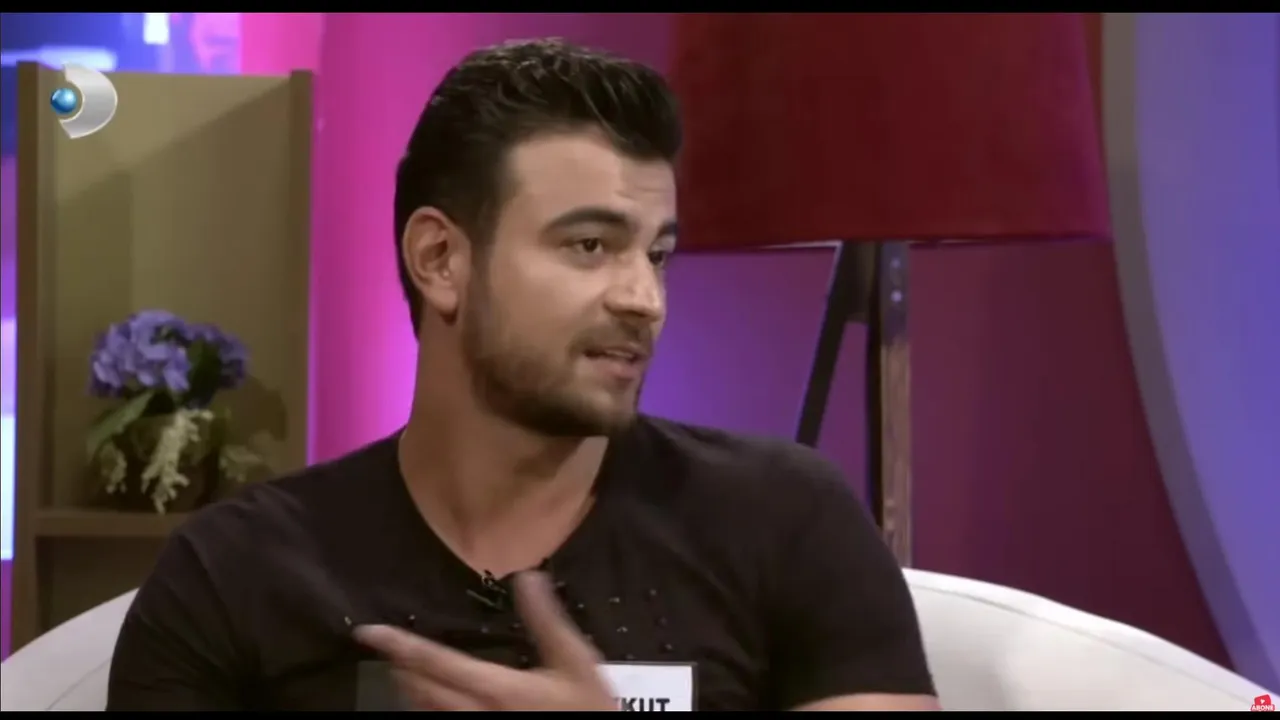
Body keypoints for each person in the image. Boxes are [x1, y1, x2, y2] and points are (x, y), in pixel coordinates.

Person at [106, 38, 939, 712]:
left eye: (656, 254)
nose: (644, 298)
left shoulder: (784, 521)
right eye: (590, 245)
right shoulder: (237, 573)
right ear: (440, 259)